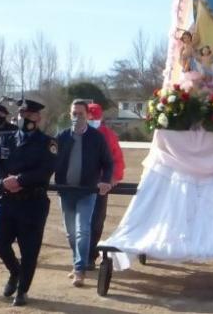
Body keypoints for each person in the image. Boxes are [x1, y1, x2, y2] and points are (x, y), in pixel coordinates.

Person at [0, 99, 57, 306]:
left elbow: (46, 169)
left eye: (28, 115)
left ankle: (22, 290)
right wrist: (3, 182)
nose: (23, 118)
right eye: (21, 114)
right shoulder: (7, 138)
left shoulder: (48, 143)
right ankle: (14, 273)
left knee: (29, 250)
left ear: (38, 118)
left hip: (32, 203)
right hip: (7, 201)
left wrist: (19, 180)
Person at [54, 100, 113, 287]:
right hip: (66, 192)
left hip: (87, 192)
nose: (77, 117)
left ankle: (80, 269)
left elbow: (108, 163)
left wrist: (105, 180)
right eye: (74, 114)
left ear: (88, 115)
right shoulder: (61, 137)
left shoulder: (96, 138)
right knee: (71, 233)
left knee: (82, 230)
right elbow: (50, 160)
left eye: (80, 114)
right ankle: (76, 262)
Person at [86, 102, 125, 270]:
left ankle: (89, 256)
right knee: (78, 224)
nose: (92, 120)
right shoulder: (77, 133)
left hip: (100, 186)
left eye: (95, 117)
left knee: (95, 221)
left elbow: (117, 159)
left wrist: (113, 177)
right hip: (80, 185)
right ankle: (81, 256)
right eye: (90, 117)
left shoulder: (108, 136)